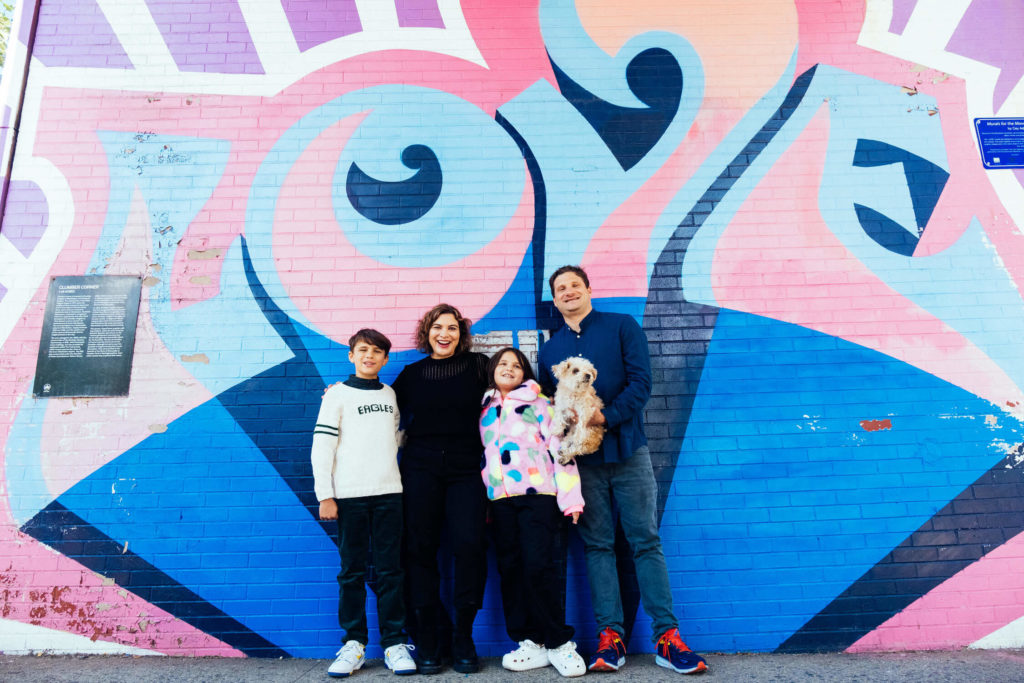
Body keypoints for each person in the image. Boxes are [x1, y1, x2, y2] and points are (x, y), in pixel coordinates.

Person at [538, 266, 709, 676]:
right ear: (555, 299)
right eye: (560, 288)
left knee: (645, 541)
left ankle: (667, 637)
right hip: (585, 465)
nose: (568, 292)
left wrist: (605, 416)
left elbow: (642, 383)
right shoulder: (550, 351)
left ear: (588, 289)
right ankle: (609, 638)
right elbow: (554, 405)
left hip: (629, 451)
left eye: (574, 285)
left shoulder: (620, 326)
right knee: (597, 546)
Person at [312, 328, 417, 677]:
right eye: (362, 350)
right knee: (351, 573)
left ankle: (394, 643)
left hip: (389, 494)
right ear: (351, 356)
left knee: (391, 572)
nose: (369, 356)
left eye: (376, 351)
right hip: (349, 497)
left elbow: (395, 437)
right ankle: (353, 644)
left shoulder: (389, 394)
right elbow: (322, 447)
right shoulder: (336, 395)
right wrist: (325, 495)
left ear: (385, 359)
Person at [391, 303, 490, 674]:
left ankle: (464, 635)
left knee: (470, 546)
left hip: (467, 469)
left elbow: (512, 389)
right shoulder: (411, 374)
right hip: (420, 468)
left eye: (452, 328)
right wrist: (343, 392)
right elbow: (382, 406)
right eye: (437, 327)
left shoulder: (479, 366)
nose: (444, 334)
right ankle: (429, 638)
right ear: (427, 332)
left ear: (461, 334)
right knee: (419, 549)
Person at [479, 347, 587, 678]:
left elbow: (561, 450)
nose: (509, 368)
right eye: (502, 363)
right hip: (500, 501)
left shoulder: (540, 403)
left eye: (516, 365)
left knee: (539, 567)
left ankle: (558, 642)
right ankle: (530, 641)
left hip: (538, 496)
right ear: (492, 370)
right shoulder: (484, 408)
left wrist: (571, 499)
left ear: (524, 372)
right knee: (510, 570)